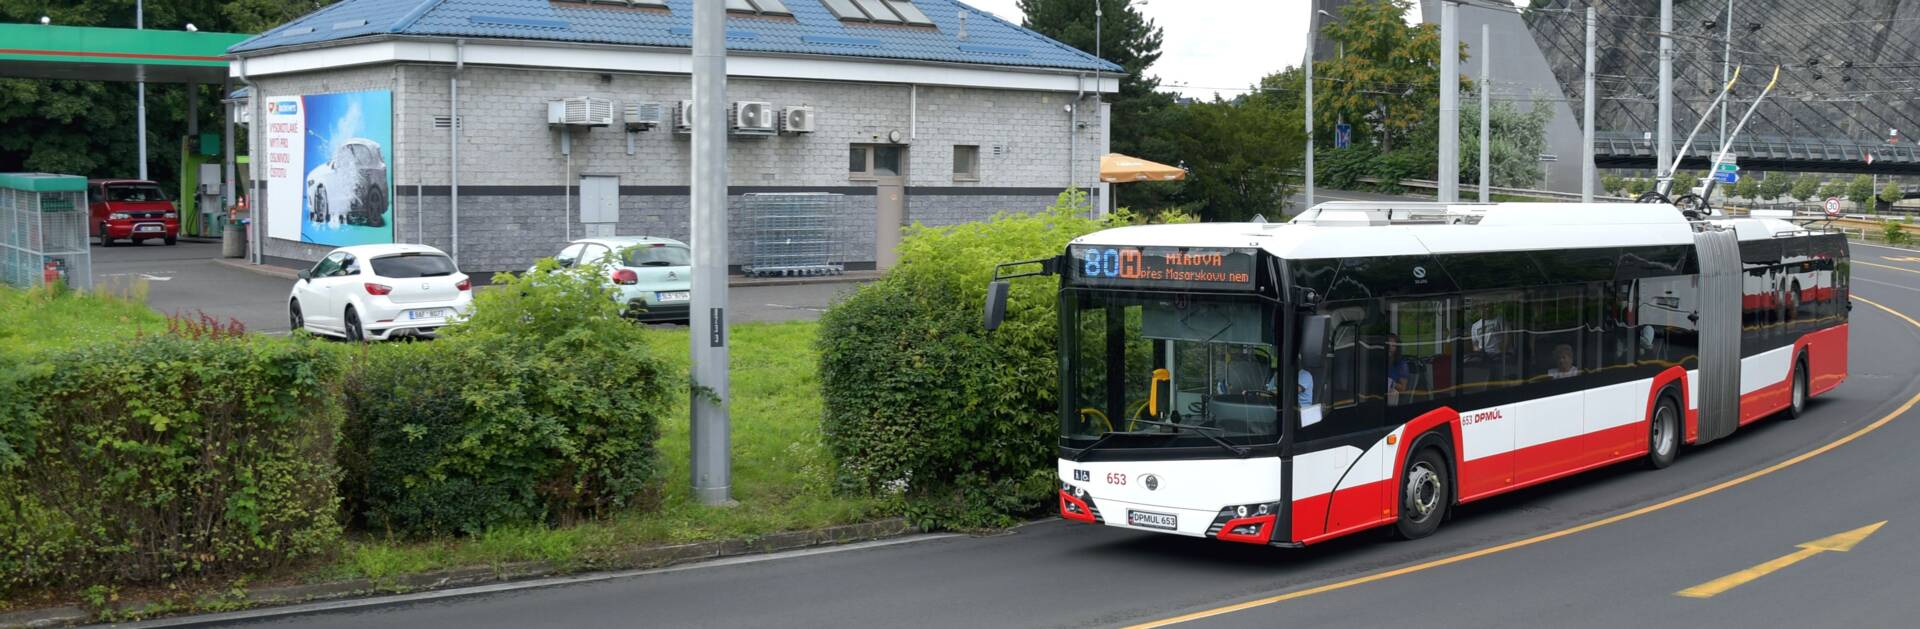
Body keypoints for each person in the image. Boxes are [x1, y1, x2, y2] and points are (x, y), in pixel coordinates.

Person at [1386, 334, 1412, 403]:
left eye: (1393, 346)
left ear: (1397, 348)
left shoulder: (1402, 364)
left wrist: (1391, 383)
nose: (1390, 348)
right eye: (1388, 345)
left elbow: (1403, 388)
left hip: (1392, 399)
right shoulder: (1380, 361)